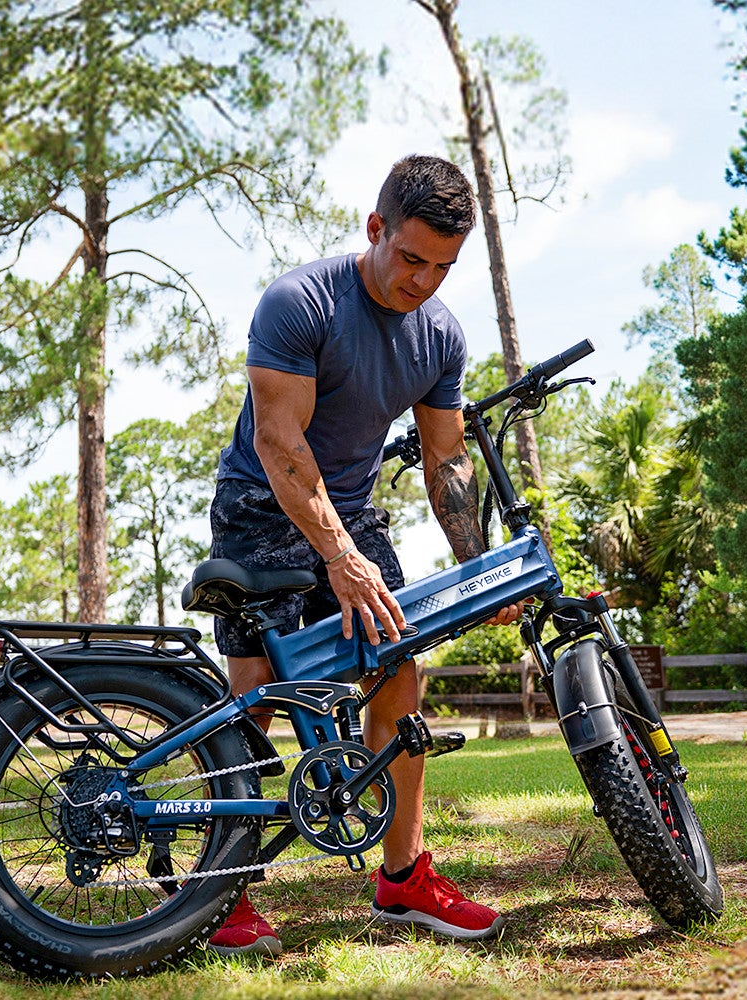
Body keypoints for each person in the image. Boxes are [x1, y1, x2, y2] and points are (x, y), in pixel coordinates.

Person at [200, 154, 515, 958]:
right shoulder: (300, 301)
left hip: (350, 510)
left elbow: (447, 463)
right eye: (411, 259)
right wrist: (339, 557)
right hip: (260, 501)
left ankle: (404, 878)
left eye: (443, 267)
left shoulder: (440, 334)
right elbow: (279, 440)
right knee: (258, 695)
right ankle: (219, 890)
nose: (424, 282)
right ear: (375, 229)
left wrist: (479, 560)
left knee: (397, 668)